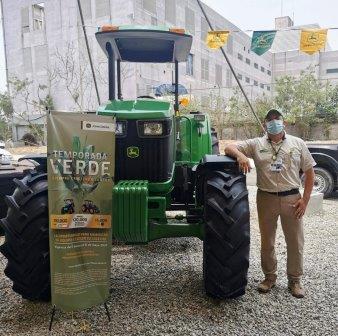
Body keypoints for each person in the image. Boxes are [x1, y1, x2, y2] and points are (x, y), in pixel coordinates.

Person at [224, 109, 315, 298]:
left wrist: (305, 200)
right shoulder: (257, 144)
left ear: (284, 123)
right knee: (267, 241)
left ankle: (295, 281)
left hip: (292, 198)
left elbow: (310, 172)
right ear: (265, 124)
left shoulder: (298, 143)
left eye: (277, 119)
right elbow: (229, 148)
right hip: (266, 198)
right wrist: (241, 156)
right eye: (270, 119)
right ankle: (269, 278)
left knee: (295, 241)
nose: (274, 122)